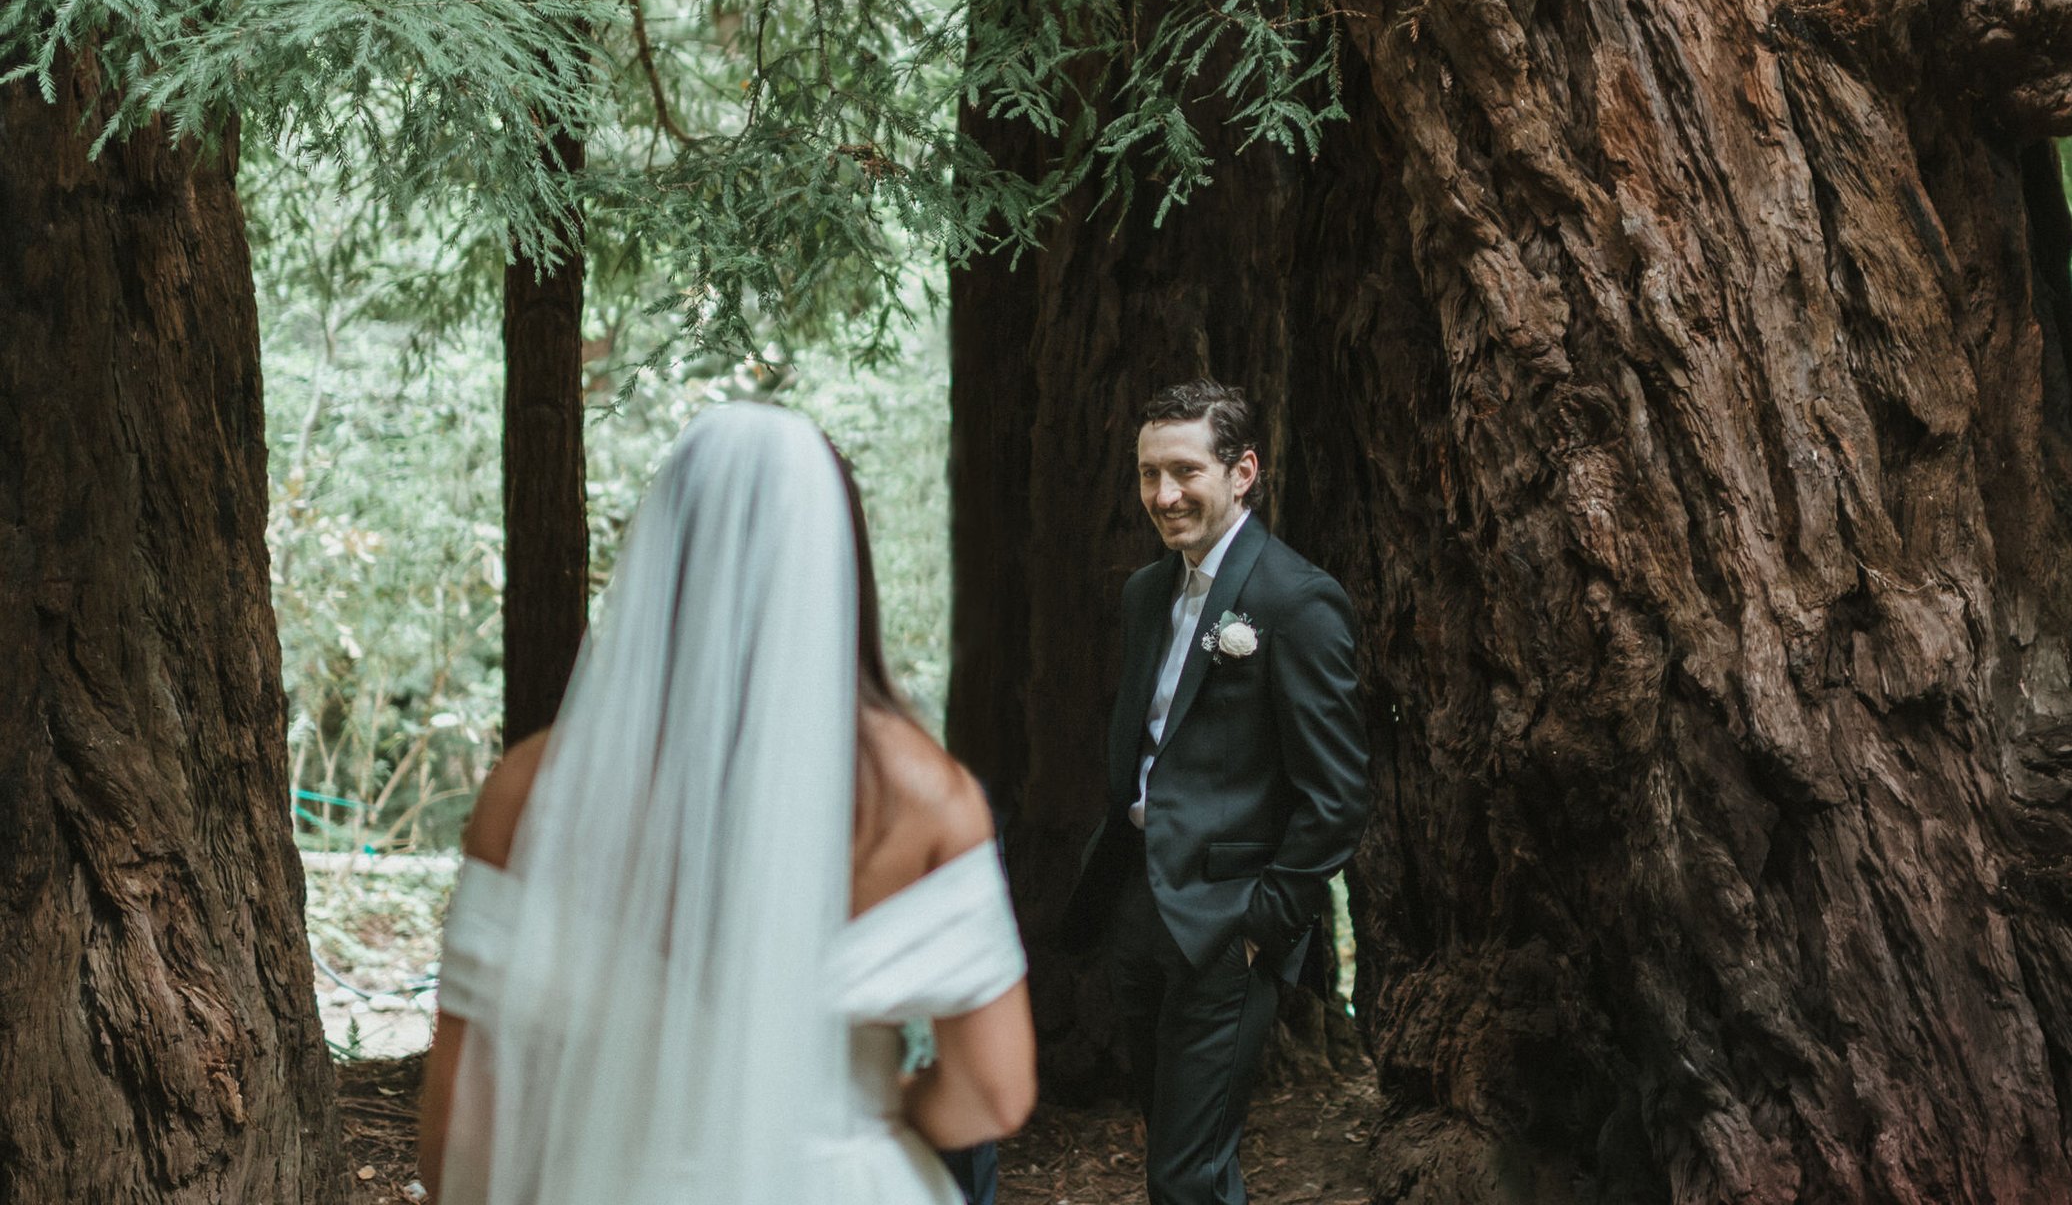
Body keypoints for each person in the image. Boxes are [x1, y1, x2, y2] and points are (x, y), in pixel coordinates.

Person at [416, 401, 1035, 1205]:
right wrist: (889, 1106)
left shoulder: (533, 788)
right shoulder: (926, 796)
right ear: (838, 566)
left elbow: (462, 1131)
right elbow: (995, 1092)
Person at [1060, 378, 1370, 1205]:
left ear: (1242, 472)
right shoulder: (1144, 593)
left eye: (1185, 472)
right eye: (1148, 474)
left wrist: (1264, 924)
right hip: (1138, 903)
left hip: (1228, 923)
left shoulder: (1294, 600)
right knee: (1177, 1152)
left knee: (1185, 1175)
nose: (1163, 495)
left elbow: (1337, 793)